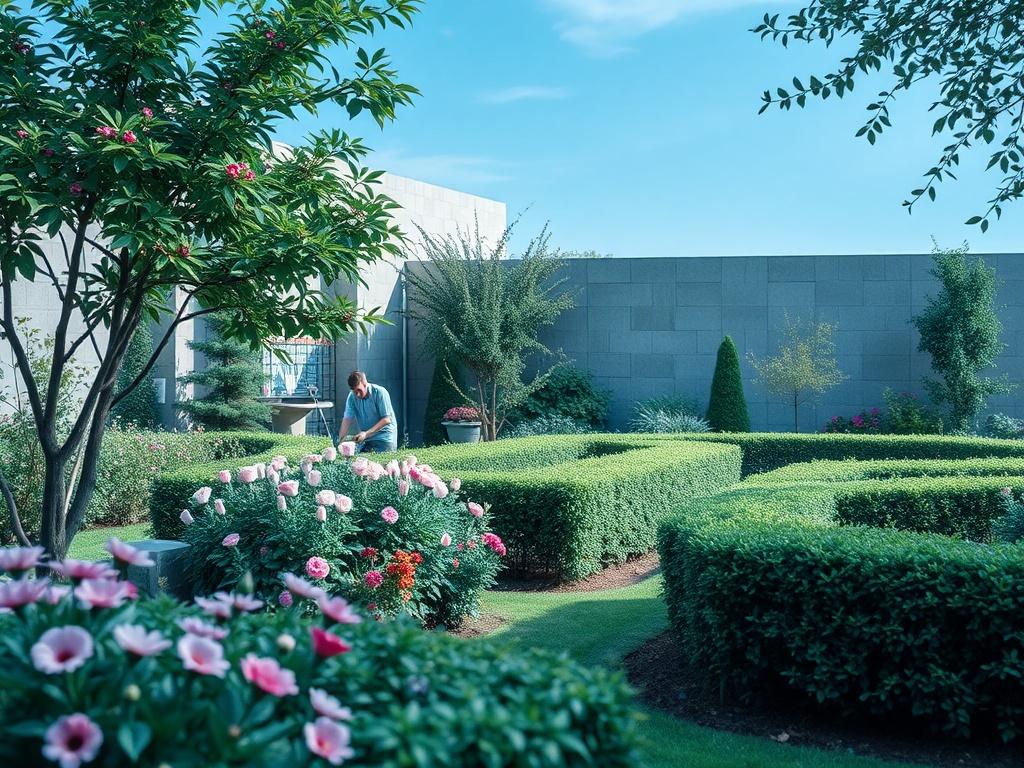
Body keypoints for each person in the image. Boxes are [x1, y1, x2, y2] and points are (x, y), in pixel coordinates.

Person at [338, 371, 397, 453]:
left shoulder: (380, 392)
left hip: (384, 439)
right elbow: (347, 419)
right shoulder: (351, 397)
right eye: (355, 392)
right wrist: (340, 441)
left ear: (365, 383)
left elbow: (387, 419)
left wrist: (366, 434)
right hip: (367, 440)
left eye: (359, 390)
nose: (357, 395)